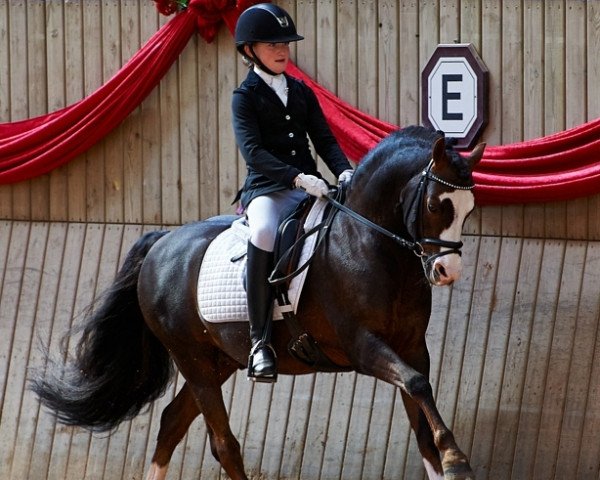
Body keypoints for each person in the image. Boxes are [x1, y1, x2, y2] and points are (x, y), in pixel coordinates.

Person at [232, 3, 353, 383]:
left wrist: (345, 171)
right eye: (272, 44)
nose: (283, 49)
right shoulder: (245, 96)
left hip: (311, 186)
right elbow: (254, 153)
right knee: (264, 232)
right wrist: (298, 178)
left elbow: (324, 139)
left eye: (286, 42)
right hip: (268, 190)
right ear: (250, 49)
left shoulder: (301, 91)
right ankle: (259, 342)